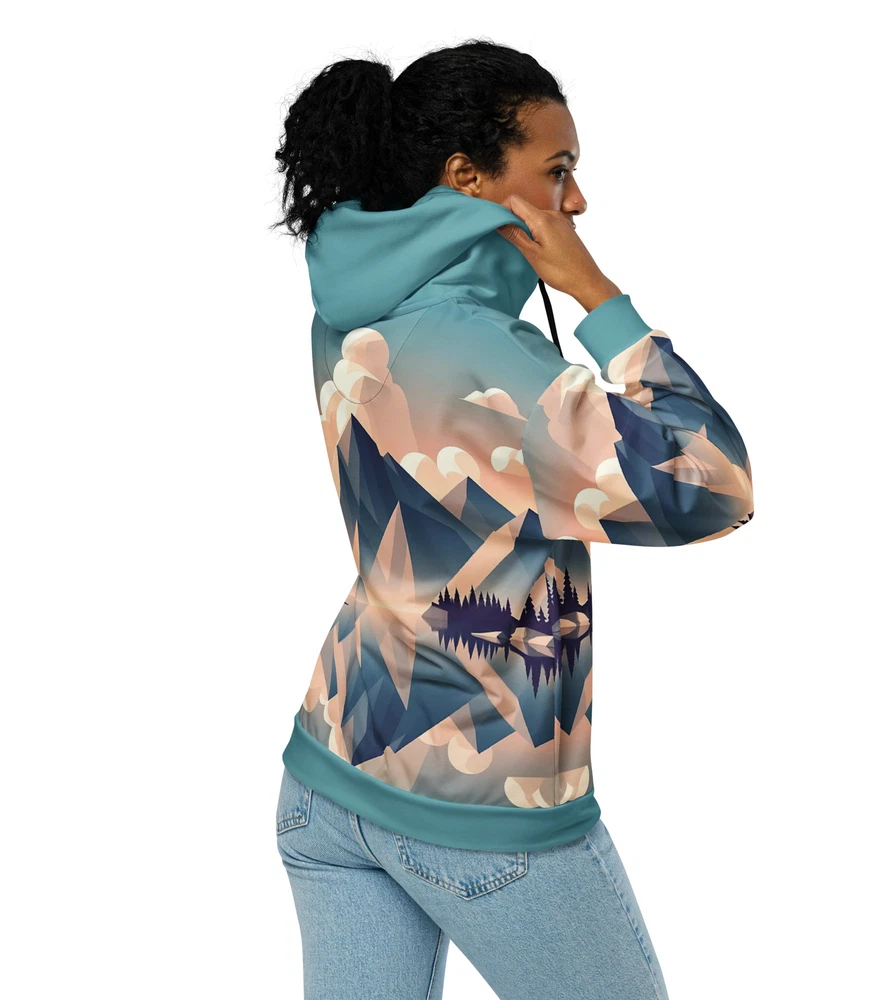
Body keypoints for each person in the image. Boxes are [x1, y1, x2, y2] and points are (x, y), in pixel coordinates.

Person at [270, 38, 753, 1000]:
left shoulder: (353, 307)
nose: (578, 201)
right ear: (468, 178)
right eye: (558, 170)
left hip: (332, 769)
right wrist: (599, 299)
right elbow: (710, 486)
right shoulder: (482, 356)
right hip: (481, 812)